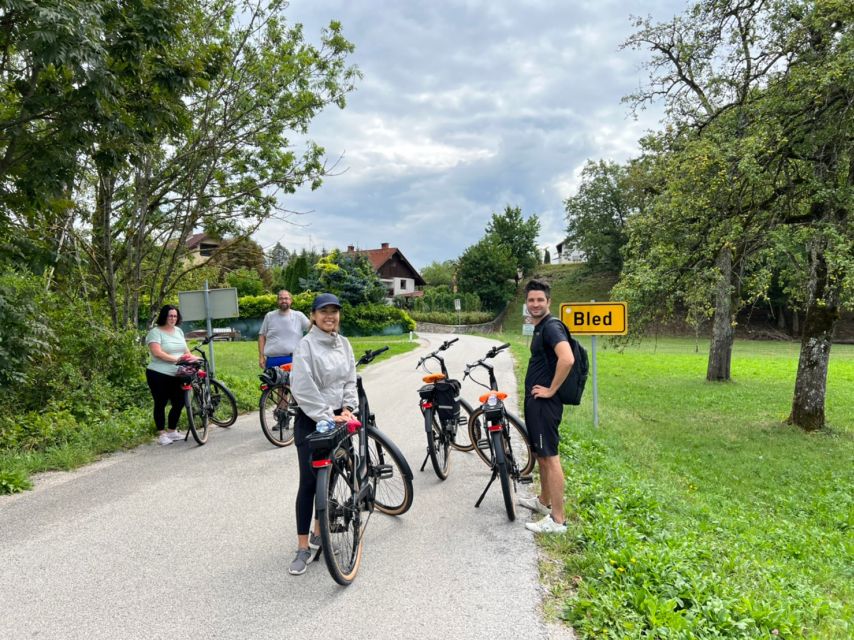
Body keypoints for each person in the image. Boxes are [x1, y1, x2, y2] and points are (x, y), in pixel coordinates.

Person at [287, 293, 358, 575]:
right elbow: (303, 387)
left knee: (332, 476)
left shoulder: (344, 344)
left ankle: (319, 532)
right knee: (308, 483)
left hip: (341, 419)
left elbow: (350, 378)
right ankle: (303, 547)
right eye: (324, 311)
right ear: (313, 316)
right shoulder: (306, 346)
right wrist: (329, 414)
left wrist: (349, 406)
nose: (330, 316)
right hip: (313, 420)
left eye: (334, 311)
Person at [519, 280, 574, 534]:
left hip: (545, 403)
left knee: (550, 458)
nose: (535, 304)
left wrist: (551, 390)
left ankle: (558, 520)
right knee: (541, 455)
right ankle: (543, 502)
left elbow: (567, 358)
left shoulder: (551, 327)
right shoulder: (540, 327)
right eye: (531, 300)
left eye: (540, 300)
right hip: (537, 402)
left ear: (549, 302)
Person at [145, 305, 195, 445]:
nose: (173, 318)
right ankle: (161, 434)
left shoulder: (178, 331)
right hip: (158, 374)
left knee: (179, 402)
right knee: (160, 403)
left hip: (178, 374)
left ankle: (172, 431)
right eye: (170, 316)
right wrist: (177, 360)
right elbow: (157, 353)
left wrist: (193, 358)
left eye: (175, 316)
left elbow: (186, 351)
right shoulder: (155, 332)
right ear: (164, 317)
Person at [257, 290, 310, 369]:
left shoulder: (299, 316)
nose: (283, 301)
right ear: (277, 301)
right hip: (272, 361)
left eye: (286, 298)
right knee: (272, 381)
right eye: (281, 298)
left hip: (293, 360)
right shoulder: (269, 316)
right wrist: (261, 357)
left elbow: (312, 330)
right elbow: (262, 337)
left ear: (291, 300)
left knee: (293, 382)